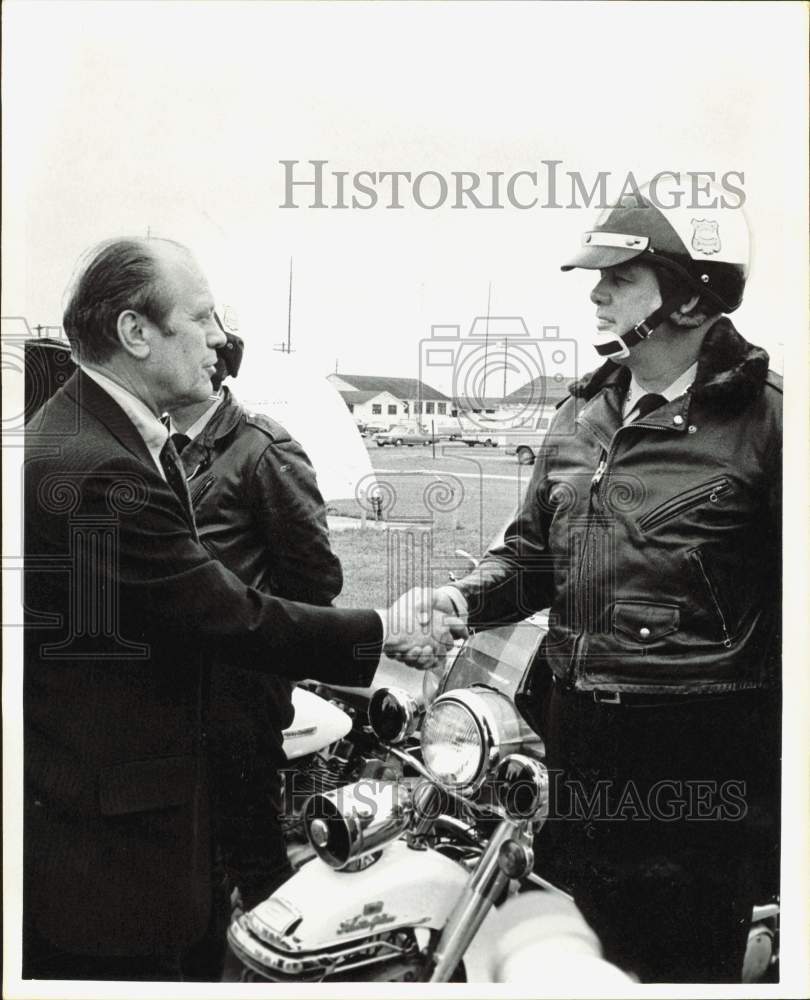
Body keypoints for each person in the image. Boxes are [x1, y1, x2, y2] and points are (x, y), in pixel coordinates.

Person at [23, 236, 454, 981]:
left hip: (147, 785)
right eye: (201, 316)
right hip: (120, 840)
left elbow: (283, 585)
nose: (220, 336)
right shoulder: (98, 467)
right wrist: (387, 631)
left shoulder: (96, 433)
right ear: (135, 332)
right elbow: (220, 612)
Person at [427, 179, 781, 982]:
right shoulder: (581, 414)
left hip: (698, 765)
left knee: (674, 965)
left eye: (621, 278)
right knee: (564, 955)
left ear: (690, 299)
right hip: (572, 740)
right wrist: (460, 599)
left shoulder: (771, 424)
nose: (597, 291)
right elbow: (532, 559)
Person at [167, 328, 341, 915]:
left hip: (240, 691)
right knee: (195, 849)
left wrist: (266, 669)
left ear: (213, 367)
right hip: (178, 687)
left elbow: (316, 580)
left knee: (252, 845)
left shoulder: (263, 448)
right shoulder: (160, 444)